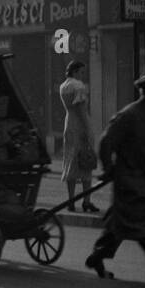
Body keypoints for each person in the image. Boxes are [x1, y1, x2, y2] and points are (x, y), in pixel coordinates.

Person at [85, 73, 145, 287]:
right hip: (130, 180)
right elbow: (106, 141)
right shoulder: (129, 115)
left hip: (144, 179)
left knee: (120, 223)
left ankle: (98, 256)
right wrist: (108, 168)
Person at [59, 59, 98, 213]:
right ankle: (86, 201)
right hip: (80, 125)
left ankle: (71, 201)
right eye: (81, 72)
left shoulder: (64, 86)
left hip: (69, 124)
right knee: (85, 162)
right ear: (75, 72)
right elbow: (81, 111)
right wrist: (88, 131)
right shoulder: (78, 86)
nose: (83, 75)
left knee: (71, 161)